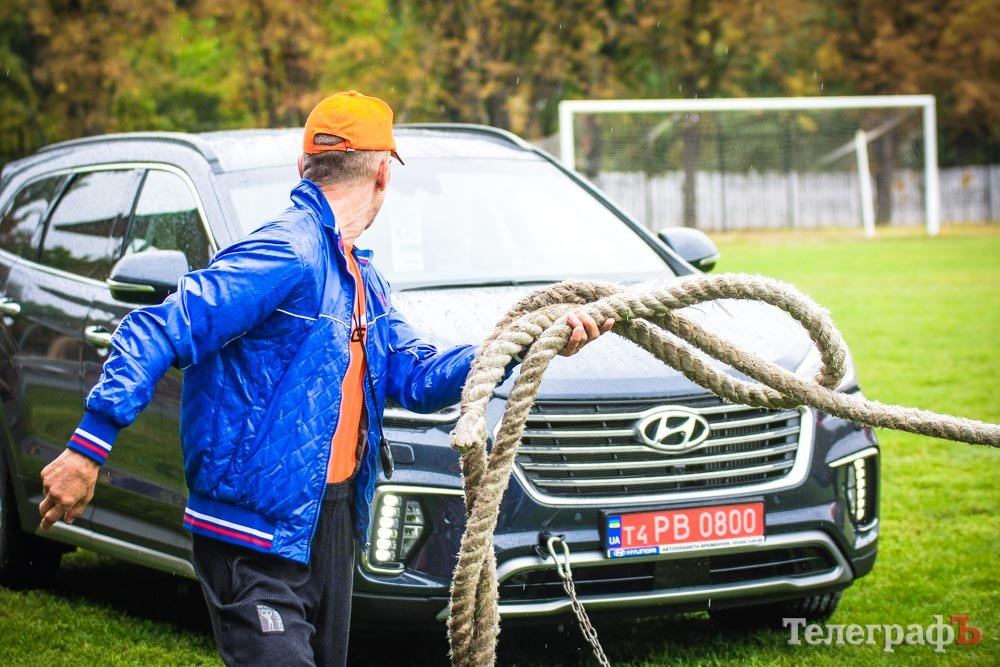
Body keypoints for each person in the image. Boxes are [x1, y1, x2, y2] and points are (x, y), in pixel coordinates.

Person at [36, 90, 613, 666]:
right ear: (384, 172)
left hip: (330, 521)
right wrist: (88, 448)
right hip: (253, 530)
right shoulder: (286, 252)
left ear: (304, 165)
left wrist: (522, 343)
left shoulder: (361, 277)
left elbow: (417, 376)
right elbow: (156, 328)